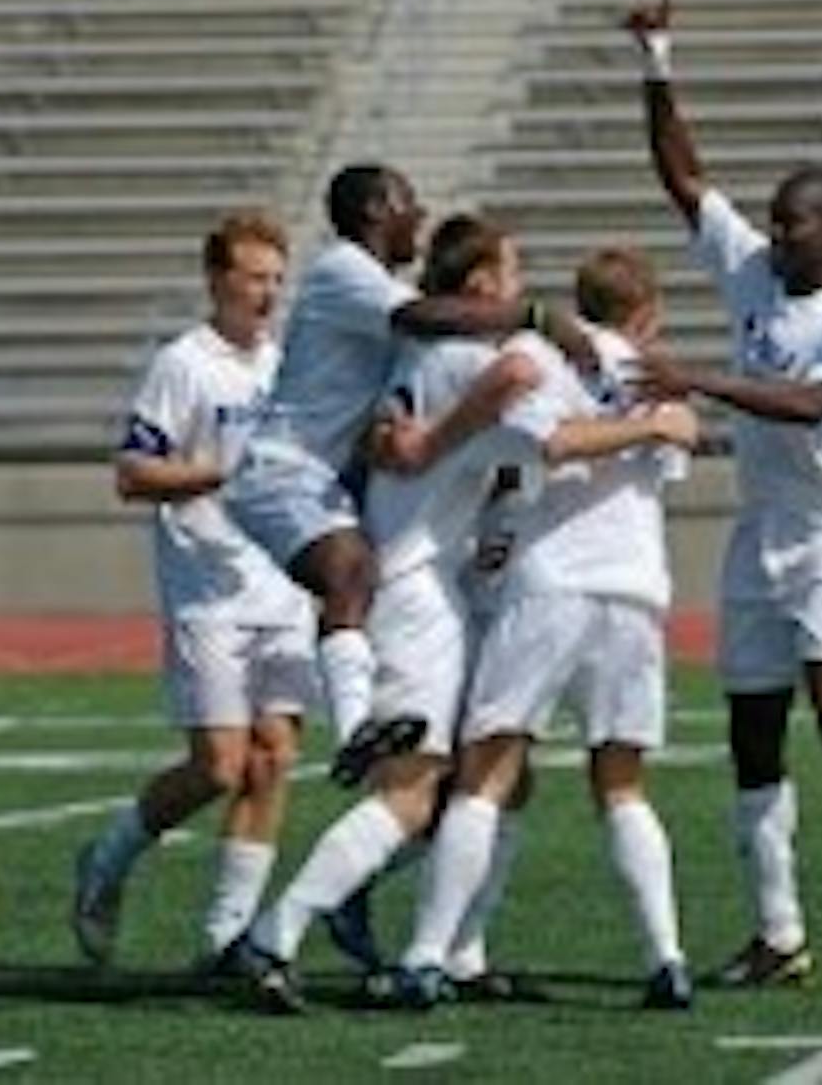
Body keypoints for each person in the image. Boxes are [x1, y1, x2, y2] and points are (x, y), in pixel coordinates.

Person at [227, 218, 690, 1014]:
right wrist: (636, 400)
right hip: (417, 590)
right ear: (479, 285)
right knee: (415, 791)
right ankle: (277, 934)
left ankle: (454, 951)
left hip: (440, 585)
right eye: (510, 274)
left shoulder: (421, 356)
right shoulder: (480, 359)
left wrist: (419, 440)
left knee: (497, 781)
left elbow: (446, 436)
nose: (518, 290)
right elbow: (524, 393)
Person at [624, 0, 822, 984]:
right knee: (751, 731)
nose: (775, 235)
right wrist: (657, 59)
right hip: (759, 529)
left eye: (795, 225)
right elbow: (683, 178)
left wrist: (698, 380)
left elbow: (809, 404)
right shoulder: (754, 268)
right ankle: (778, 932)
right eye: (773, 221)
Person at [381, 243, 699, 1011]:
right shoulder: (656, 376)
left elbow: (549, 442)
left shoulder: (541, 353)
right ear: (649, 312)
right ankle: (666, 957)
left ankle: (426, 954)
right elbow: (670, 443)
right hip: (636, 587)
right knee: (621, 782)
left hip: (555, 581)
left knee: (485, 771)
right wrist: (654, 425)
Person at [227, 165, 596, 789]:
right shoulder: (343, 268)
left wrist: (387, 428)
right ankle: (354, 731)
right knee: (351, 572)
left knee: (358, 581)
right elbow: (422, 317)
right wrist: (533, 316)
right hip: (284, 468)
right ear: (376, 208)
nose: (419, 217)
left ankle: (362, 733)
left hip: (326, 480)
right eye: (408, 203)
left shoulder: (373, 289)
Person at [72, 211, 321, 969]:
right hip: (207, 588)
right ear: (216, 280)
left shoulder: (285, 364)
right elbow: (132, 473)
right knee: (219, 764)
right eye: (254, 278)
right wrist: (219, 474)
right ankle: (105, 859)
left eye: (277, 279)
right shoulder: (183, 363)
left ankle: (225, 937)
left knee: (273, 758)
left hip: (281, 585)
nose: (267, 293)